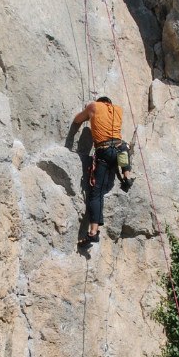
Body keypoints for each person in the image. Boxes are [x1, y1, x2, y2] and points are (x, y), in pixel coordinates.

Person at [71, 96, 134, 247]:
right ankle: (127, 176)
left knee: (96, 193)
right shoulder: (118, 110)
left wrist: (87, 110)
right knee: (123, 146)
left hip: (104, 153)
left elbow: (77, 120)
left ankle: (93, 232)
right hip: (119, 151)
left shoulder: (94, 106)